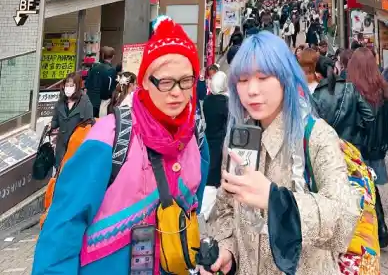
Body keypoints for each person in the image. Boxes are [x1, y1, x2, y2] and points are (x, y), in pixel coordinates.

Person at [32, 17, 210, 275]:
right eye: (166, 81)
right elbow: (63, 227)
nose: (177, 92)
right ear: (146, 82)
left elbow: (192, 206)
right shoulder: (110, 137)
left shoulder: (192, 138)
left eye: (186, 81)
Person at [203, 31, 361, 275]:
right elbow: (226, 208)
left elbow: (344, 220)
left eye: (263, 77)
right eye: (243, 80)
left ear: (286, 78)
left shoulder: (317, 136)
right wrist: (227, 250)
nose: (252, 90)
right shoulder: (238, 139)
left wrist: (276, 201)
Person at [347, 46, 388, 249]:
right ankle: (380, 230)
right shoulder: (384, 90)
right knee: (371, 190)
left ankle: (370, 232)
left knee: (359, 192)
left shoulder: (351, 91)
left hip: (357, 148)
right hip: (376, 150)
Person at [313, 49, 375, 151]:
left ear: (318, 74)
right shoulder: (350, 88)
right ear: (334, 69)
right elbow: (369, 116)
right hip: (352, 146)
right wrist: (358, 134)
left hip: (329, 148)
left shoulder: (317, 95)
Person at [50, 73, 94, 169]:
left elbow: (89, 126)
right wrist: (50, 126)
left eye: (71, 85)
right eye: (67, 85)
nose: (68, 88)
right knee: (59, 171)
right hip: (61, 146)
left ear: (77, 86)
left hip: (77, 146)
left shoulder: (85, 103)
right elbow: (55, 121)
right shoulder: (60, 102)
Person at [202, 70, 229, 220]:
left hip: (208, 138)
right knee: (217, 172)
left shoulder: (207, 100)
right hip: (221, 140)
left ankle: (204, 209)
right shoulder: (225, 102)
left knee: (209, 172)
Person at [85, 46, 117, 118]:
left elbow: (87, 83)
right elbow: (110, 89)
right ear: (112, 57)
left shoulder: (94, 67)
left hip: (90, 99)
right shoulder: (111, 70)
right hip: (102, 102)